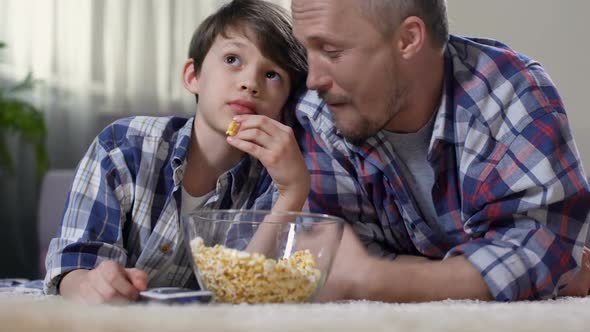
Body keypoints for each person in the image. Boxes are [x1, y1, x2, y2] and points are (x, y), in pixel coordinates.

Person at [291, 0, 590, 302]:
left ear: (408, 39)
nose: (313, 79)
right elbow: (335, 257)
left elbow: (541, 246)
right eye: (307, 50)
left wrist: (377, 278)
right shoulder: (318, 114)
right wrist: (467, 275)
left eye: (332, 52)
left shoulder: (510, 92)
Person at [44, 0, 308, 304]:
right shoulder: (122, 144)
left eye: (272, 75)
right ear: (193, 77)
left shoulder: (276, 177)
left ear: (284, 107)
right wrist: (90, 283)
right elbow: (73, 267)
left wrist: (292, 192)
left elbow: (245, 294)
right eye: (233, 59)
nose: (250, 83)